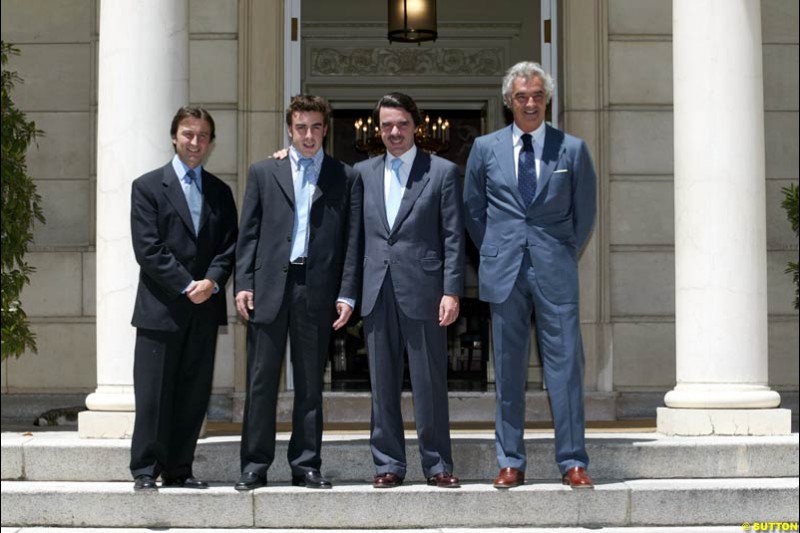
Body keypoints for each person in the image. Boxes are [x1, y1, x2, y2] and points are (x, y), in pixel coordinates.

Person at [463, 61, 597, 489]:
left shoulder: (571, 150)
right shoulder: (485, 148)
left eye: (538, 95)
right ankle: (510, 461)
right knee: (507, 371)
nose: (530, 103)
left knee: (566, 370)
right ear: (508, 102)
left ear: (547, 99)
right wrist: (495, 247)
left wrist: (560, 251)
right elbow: (472, 209)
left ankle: (573, 461)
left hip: (555, 271)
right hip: (504, 274)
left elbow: (585, 212)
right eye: (522, 96)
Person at [234, 94, 362, 491]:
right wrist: (243, 283)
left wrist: (347, 293)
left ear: (326, 129)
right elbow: (248, 235)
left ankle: (306, 464)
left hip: (317, 290)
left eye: (316, 127)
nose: (308, 135)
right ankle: (254, 465)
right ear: (289, 129)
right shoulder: (263, 172)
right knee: (261, 382)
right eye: (301, 128)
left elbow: (352, 241)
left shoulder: (345, 176)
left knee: (310, 383)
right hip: (270, 288)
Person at [355, 92, 464, 489]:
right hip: (376, 289)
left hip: (426, 292)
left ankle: (437, 465)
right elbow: (354, 240)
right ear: (378, 130)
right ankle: (388, 464)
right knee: (381, 384)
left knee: (429, 383)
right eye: (386, 126)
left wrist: (452, 291)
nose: (394, 132)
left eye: (401, 124)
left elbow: (454, 237)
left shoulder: (442, 172)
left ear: (415, 124)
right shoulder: (362, 173)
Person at [129, 106, 238, 491]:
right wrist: (186, 284)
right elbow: (148, 248)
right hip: (161, 309)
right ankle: (145, 469)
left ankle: (179, 468)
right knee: (154, 395)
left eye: (203, 136)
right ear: (174, 137)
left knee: (193, 393)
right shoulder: (146, 187)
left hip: (204, 309)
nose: (196, 142)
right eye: (189, 134)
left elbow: (229, 247)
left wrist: (210, 282)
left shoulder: (221, 192)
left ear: (210, 142)